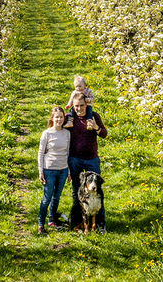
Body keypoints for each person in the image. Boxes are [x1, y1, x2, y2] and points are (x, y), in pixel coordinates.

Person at [66, 94, 108, 233]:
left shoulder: (93, 116)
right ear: (73, 105)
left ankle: (100, 223)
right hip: (74, 158)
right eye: (76, 106)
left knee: (97, 190)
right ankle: (79, 221)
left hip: (92, 158)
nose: (79, 109)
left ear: (86, 104)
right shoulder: (69, 117)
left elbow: (104, 133)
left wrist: (96, 127)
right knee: (76, 190)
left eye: (81, 106)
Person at [37, 106, 71, 234]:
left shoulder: (67, 133)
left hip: (62, 169)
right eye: (57, 117)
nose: (59, 119)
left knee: (56, 197)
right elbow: (40, 153)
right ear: (52, 118)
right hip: (49, 169)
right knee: (47, 197)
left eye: (61, 117)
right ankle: (41, 224)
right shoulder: (47, 133)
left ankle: (51, 220)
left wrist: (68, 172)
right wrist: (41, 171)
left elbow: (68, 152)